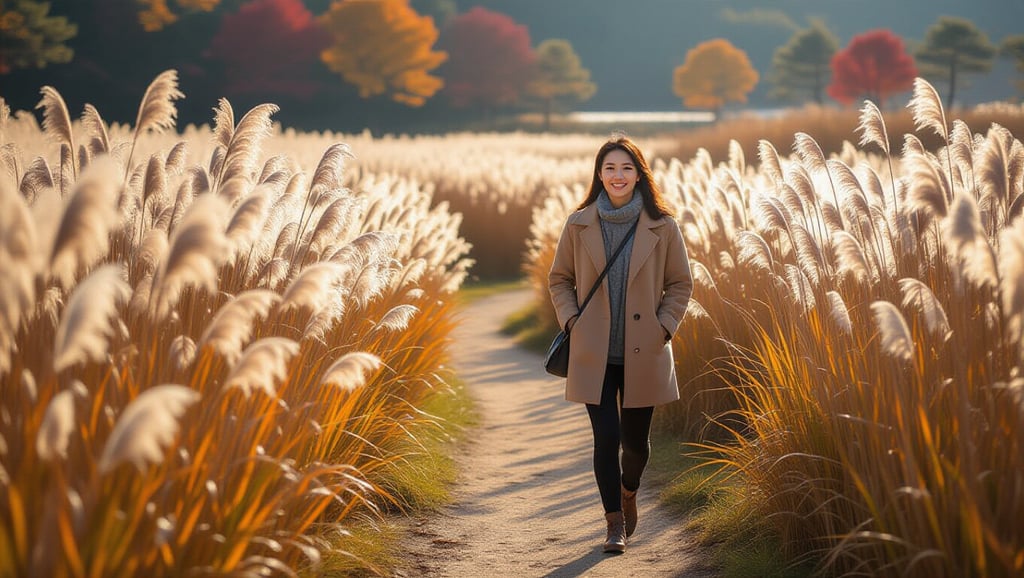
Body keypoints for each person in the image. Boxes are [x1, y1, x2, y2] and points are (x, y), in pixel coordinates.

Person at [548, 135, 692, 554]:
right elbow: (559, 279)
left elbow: (680, 283)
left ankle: (630, 491)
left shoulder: (663, 226)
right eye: (610, 168)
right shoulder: (578, 224)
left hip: (643, 350)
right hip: (593, 351)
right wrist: (571, 319)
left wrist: (663, 327)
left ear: (639, 174)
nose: (618, 175)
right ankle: (614, 524)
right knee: (605, 439)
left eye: (626, 168)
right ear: (599, 173)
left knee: (635, 445)